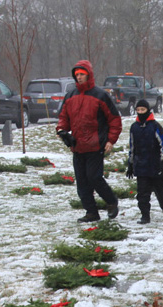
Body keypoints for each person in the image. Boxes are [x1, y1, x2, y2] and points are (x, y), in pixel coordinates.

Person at [56, 60, 122, 223]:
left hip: (95, 145)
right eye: (76, 74)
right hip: (77, 146)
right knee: (82, 182)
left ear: (89, 75)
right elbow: (64, 117)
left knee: (94, 177)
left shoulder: (100, 95)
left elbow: (114, 120)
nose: (79, 77)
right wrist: (61, 130)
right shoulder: (71, 95)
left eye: (82, 74)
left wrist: (110, 140)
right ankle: (91, 212)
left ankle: (111, 201)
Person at [127, 99, 163, 224]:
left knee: (160, 190)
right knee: (142, 193)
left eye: (143, 110)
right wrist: (130, 164)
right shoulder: (134, 127)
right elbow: (132, 147)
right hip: (140, 165)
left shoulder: (155, 126)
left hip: (155, 165)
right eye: (138, 110)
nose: (140, 112)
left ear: (148, 110)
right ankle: (145, 216)